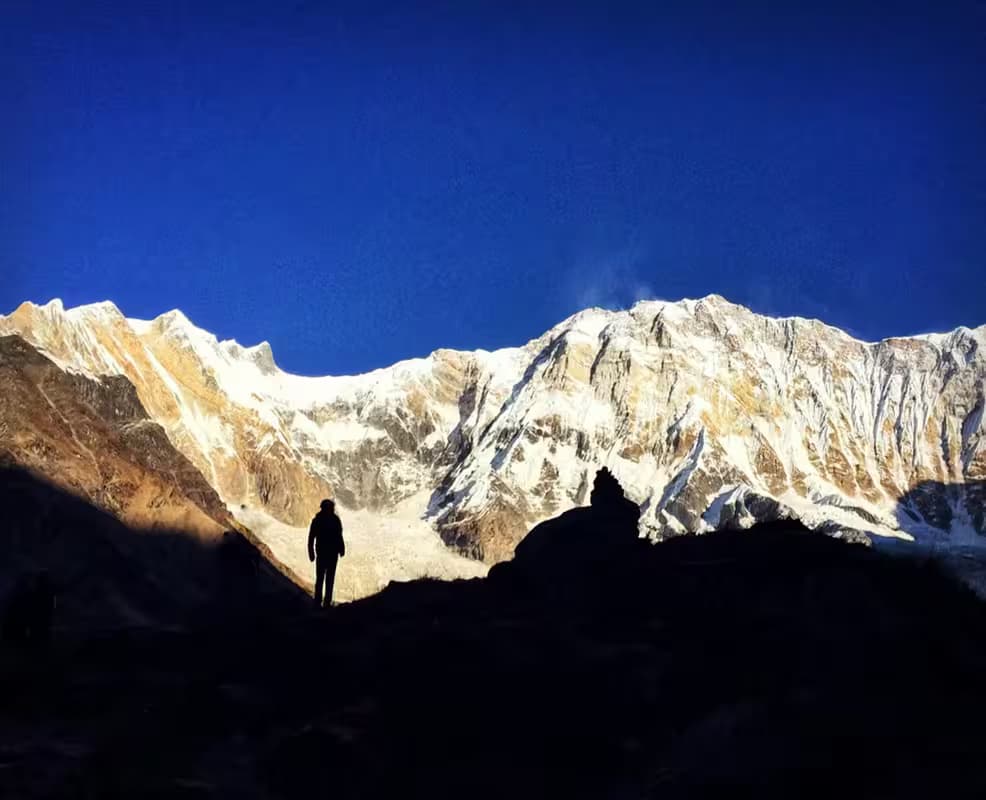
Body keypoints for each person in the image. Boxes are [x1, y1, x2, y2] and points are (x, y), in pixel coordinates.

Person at [308, 499, 345, 607]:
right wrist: (341, 548)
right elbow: (339, 536)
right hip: (330, 554)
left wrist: (311, 552)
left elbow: (311, 537)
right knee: (328, 579)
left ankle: (320, 602)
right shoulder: (334, 520)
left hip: (324, 554)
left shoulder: (318, 520)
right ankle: (324, 603)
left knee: (322, 578)